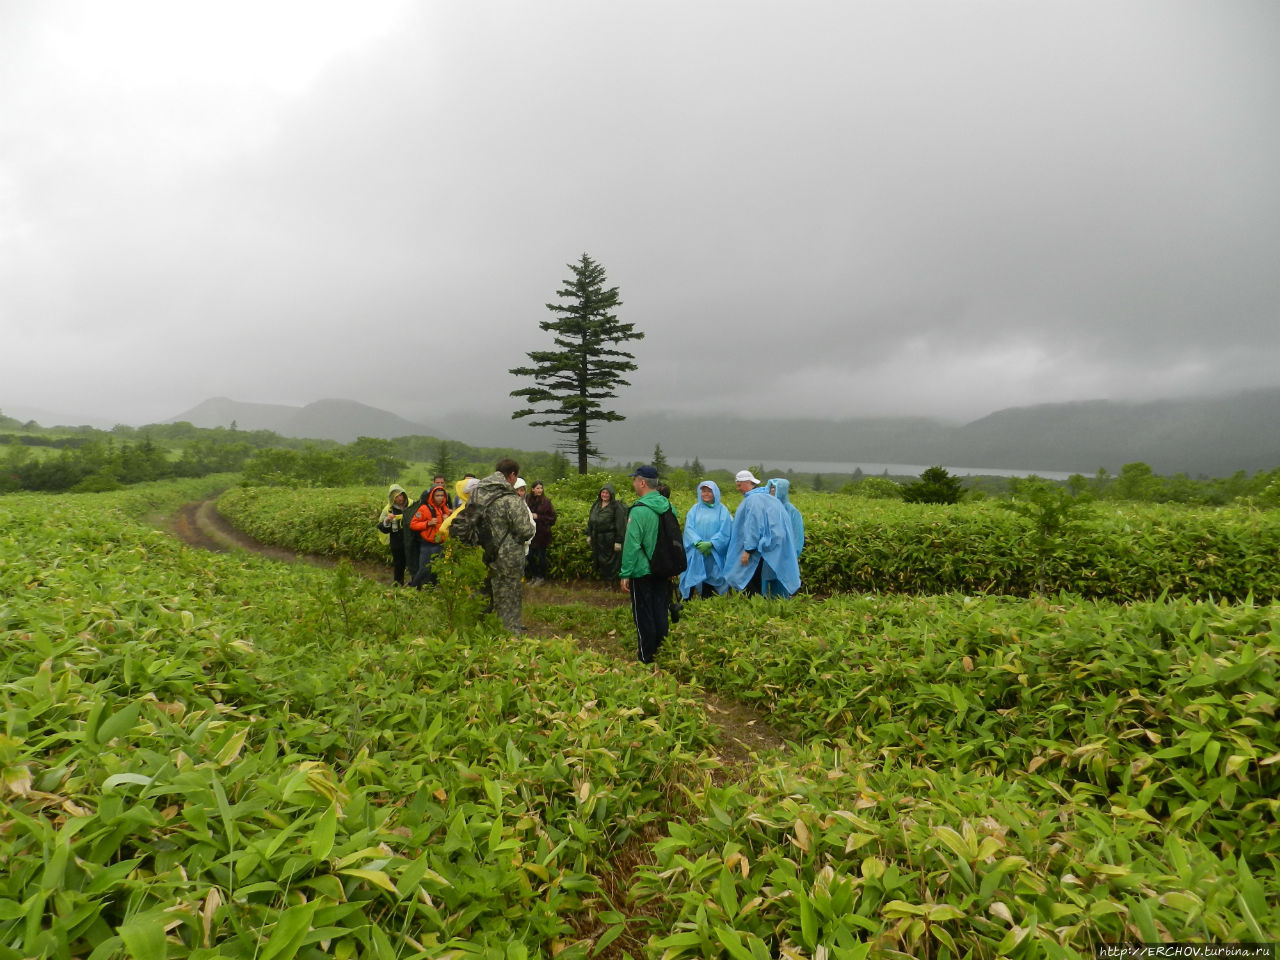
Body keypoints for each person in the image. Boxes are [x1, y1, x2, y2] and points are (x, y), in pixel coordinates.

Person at [468, 459, 536, 633]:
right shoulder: (511, 499)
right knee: (508, 598)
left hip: (479, 553)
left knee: (481, 594)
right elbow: (526, 530)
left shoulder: (477, 493)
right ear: (512, 475)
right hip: (507, 558)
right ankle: (509, 637)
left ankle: (476, 632)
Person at [619, 465, 675, 664]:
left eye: (635, 479)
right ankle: (662, 651)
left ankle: (646, 656)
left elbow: (631, 544)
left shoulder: (639, 510)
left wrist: (625, 573)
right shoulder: (668, 506)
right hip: (663, 568)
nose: (633, 483)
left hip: (642, 570)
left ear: (642, 482)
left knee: (644, 614)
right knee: (660, 610)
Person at [724, 469, 800, 598]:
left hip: (757, 549)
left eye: (739, 485)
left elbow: (754, 526)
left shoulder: (754, 500)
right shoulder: (767, 498)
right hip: (769, 549)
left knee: (749, 579)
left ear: (748, 482)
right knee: (759, 581)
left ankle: (755, 607)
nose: (738, 489)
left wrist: (748, 550)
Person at [678, 480, 733, 599]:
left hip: (714, 553)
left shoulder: (722, 511)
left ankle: (710, 602)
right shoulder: (695, 509)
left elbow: (725, 531)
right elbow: (689, 528)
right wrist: (698, 542)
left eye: (709, 491)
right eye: (703, 491)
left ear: (715, 493)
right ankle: (687, 603)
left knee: (712, 578)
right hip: (696, 551)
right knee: (692, 576)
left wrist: (712, 543)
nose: (706, 494)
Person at [762, 478, 805, 598]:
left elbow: (798, 537)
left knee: (783, 587)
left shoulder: (792, 511)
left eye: (775, 488)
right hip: (769, 557)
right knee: (768, 588)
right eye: (770, 487)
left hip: (785, 557)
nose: (772, 490)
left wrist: (792, 555)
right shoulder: (766, 510)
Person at [408, 483, 452, 587]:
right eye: (437, 495)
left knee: (436, 569)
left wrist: (448, 520)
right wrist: (428, 523)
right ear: (432, 496)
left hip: (440, 543)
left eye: (442, 495)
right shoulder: (424, 508)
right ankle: (414, 587)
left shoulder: (444, 509)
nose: (440, 498)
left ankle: (432, 588)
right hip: (427, 544)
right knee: (424, 568)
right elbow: (413, 524)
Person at [586, 483, 629, 582]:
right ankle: (603, 579)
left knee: (610, 562)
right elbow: (591, 520)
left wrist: (618, 541)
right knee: (599, 560)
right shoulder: (596, 504)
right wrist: (589, 534)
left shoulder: (615, 506)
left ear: (611, 494)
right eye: (603, 492)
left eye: (607, 493)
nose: (604, 495)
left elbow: (620, 524)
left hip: (610, 538)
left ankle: (610, 582)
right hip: (597, 538)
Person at [376, 484, 411, 585]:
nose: (399, 498)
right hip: (397, 543)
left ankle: (415, 586)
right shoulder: (388, 510)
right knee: (399, 565)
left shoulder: (411, 505)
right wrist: (387, 520)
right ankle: (398, 585)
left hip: (411, 541)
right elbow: (382, 527)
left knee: (413, 564)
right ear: (392, 498)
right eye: (396, 497)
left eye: (401, 495)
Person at [525, 480, 557, 584]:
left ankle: (541, 577)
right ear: (532, 489)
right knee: (529, 556)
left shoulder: (546, 502)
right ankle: (534, 576)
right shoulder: (527, 500)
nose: (540, 490)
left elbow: (552, 518)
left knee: (541, 556)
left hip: (542, 534)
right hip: (530, 534)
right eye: (537, 488)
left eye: (541, 488)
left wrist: (538, 517)